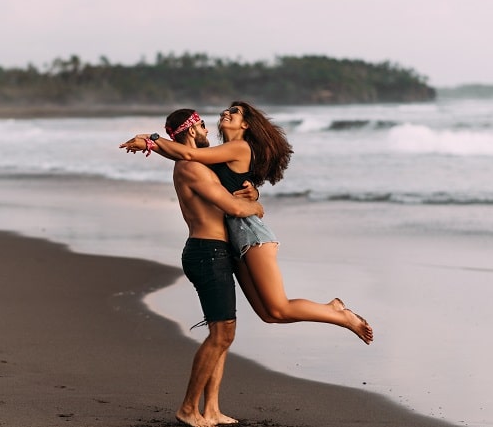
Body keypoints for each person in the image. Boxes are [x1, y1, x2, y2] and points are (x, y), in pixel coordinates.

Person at [120, 101, 374, 345]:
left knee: (279, 307)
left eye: (235, 111)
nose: (226, 113)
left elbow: (187, 153)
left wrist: (151, 139)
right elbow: (188, 159)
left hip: (250, 233)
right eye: (226, 110)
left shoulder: (240, 147)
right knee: (268, 315)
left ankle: (340, 315)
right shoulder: (218, 154)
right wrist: (151, 142)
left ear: (246, 125)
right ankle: (332, 310)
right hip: (235, 235)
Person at [121, 109, 263, 427]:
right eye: (200, 124)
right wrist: (255, 206)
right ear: (190, 129)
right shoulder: (191, 167)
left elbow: (234, 188)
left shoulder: (200, 162)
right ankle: (188, 408)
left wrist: (251, 191)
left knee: (224, 335)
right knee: (221, 335)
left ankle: (211, 408)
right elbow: (233, 207)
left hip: (216, 252)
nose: (205, 128)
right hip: (206, 252)